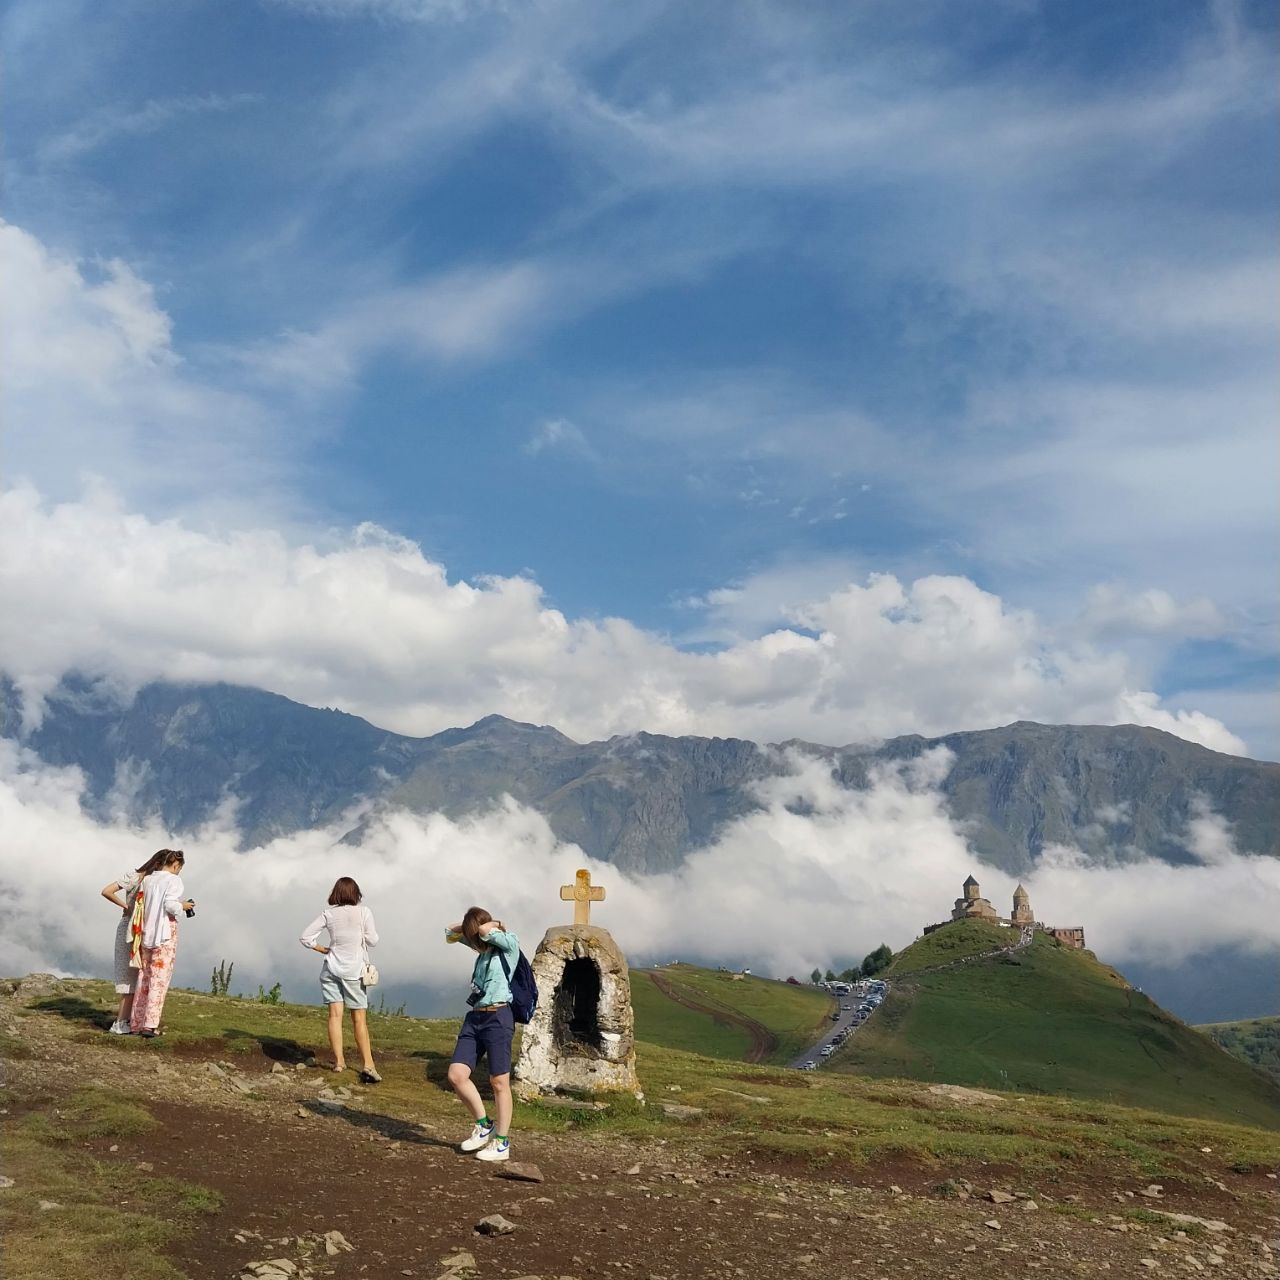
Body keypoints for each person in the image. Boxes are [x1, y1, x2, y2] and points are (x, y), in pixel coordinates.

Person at [445, 907, 519, 1162]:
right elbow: (449, 933)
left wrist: (492, 924)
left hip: (498, 1017)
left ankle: (502, 1142)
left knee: (499, 1082)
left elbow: (487, 931)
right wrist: (468, 927)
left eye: (475, 938)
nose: (474, 944)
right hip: (475, 1016)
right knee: (456, 1074)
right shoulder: (482, 947)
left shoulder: (509, 945)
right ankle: (483, 1124)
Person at [299, 877, 381, 1083]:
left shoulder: (328, 914)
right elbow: (373, 940)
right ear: (356, 894)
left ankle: (339, 1062)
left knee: (334, 1016)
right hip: (354, 971)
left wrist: (322, 949)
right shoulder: (364, 912)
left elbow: (305, 937)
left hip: (331, 969)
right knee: (359, 1019)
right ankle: (368, 1064)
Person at [100, 850, 178, 1035]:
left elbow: (106, 891)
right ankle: (124, 1022)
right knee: (139, 975)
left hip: (128, 924)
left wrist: (126, 906)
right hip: (145, 929)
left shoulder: (134, 876)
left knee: (131, 975)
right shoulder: (153, 881)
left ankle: (128, 1020)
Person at [129, 849, 194, 1038]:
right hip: (164, 934)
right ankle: (150, 1025)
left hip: (145, 933)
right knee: (159, 979)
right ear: (176, 865)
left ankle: (136, 1023)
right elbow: (170, 905)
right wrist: (184, 906)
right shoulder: (173, 880)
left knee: (144, 977)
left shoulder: (148, 880)